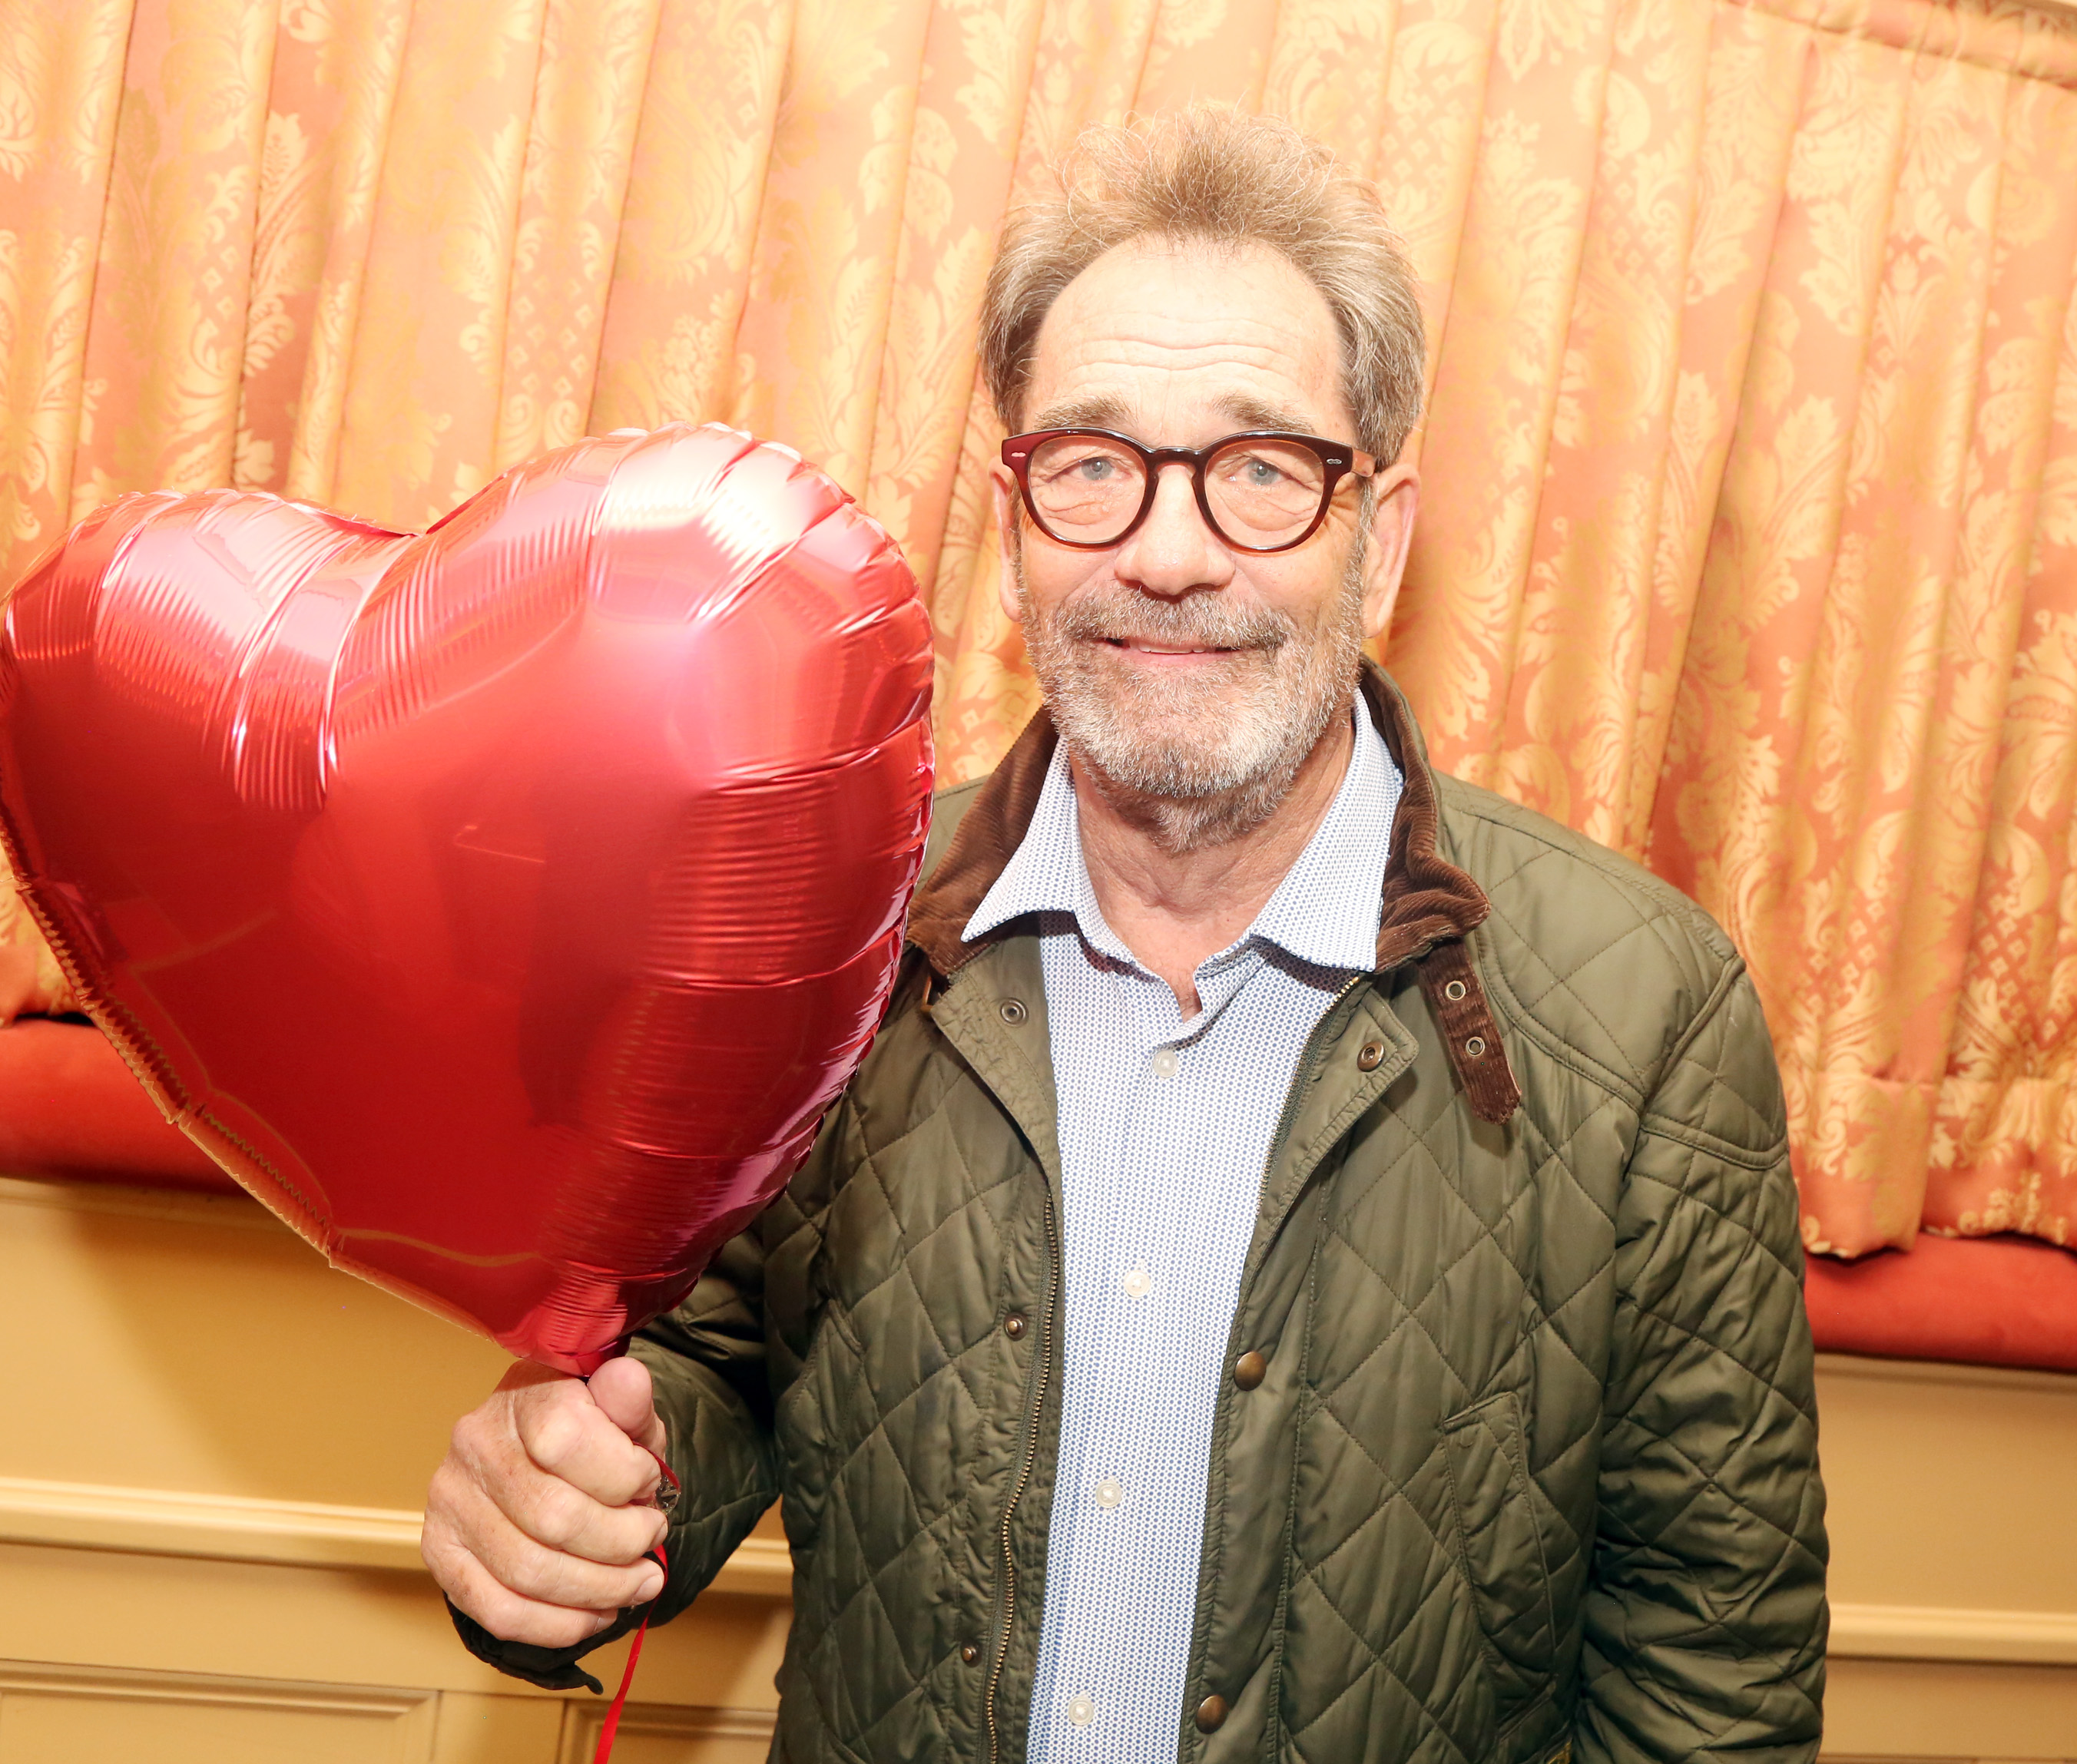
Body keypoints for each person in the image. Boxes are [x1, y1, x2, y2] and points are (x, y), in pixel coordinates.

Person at [421, 105, 1828, 1764]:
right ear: (1015, 521)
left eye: (1259, 471)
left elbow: (1708, 1686)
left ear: (1378, 531)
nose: (1166, 554)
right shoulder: (829, 933)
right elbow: (716, 1365)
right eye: (1091, 464)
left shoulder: (1651, 1017)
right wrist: (579, 1504)